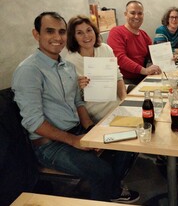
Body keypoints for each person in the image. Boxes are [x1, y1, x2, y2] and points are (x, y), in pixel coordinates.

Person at [12, 12, 139, 203]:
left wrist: (89, 128)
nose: (57, 37)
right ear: (36, 34)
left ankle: (110, 191)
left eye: (61, 32)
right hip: (49, 144)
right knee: (101, 170)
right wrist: (74, 140)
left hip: (76, 130)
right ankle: (109, 191)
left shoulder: (66, 67)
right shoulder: (29, 70)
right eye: (49, 31)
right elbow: (34, 122)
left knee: (127, 141)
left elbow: (77, 102)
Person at [65, 15, 127, 123]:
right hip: (95, 115)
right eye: (79, 33)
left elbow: (118, 77)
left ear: (95, 31)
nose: (86, 36)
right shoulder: (70, 61)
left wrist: (125, 101)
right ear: (73, 37)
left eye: (89, 30)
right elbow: (71, 98)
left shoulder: (105, 49)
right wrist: (77, 87)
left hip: (117, 106)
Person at [107, 1, 161, 87]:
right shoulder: (116, 32)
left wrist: (169, 59)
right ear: (125, 14)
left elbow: (154, 55)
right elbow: (120, 58)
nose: (136, 16)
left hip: (142, 78)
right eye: (132, 13)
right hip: (124, 81)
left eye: (140, 13)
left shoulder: (144, 34)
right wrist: (144, 70)